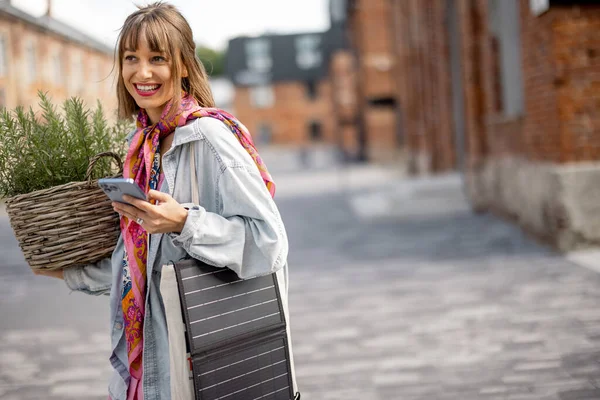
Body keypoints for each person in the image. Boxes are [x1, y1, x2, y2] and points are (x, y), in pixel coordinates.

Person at [34, 2, 298, 399]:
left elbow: (270, 243)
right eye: (131, 59)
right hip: (149, 366)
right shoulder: (140, 147)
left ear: (184, 66)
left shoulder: (209, 138)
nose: (142, 73)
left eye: (157, 58)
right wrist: (69, 274)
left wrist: (184, 223)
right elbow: (141, 263)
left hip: (204, 365)